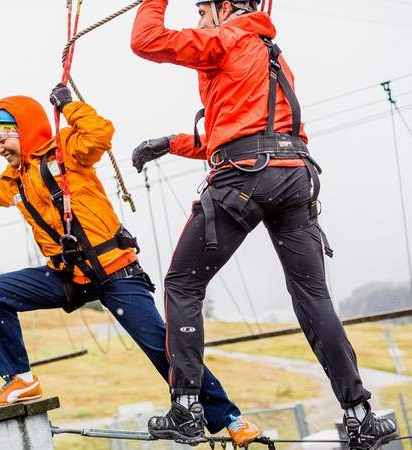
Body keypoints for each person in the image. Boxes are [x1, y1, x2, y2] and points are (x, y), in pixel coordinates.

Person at [129, 1, 398, 448]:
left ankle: (188, 408)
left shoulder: (228, 38)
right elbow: (244, 126)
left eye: (201, 11)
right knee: (313, 296)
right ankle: (360, 414)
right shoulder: (272, 54)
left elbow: (146, 41)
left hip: (244, 176)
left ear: (226, 8)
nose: (197, 22)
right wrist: (170, 143)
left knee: (182, 283)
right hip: (295, 175)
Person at [0, 84, 260, 445]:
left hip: (115, 271)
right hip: (69, 276)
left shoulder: (67, 152)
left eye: (4, 135)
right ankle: (19, 378)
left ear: (26, 128)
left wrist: (69, 105)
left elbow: (99, 133)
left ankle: (231, 418)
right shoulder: (16, 180)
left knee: (161, 346)